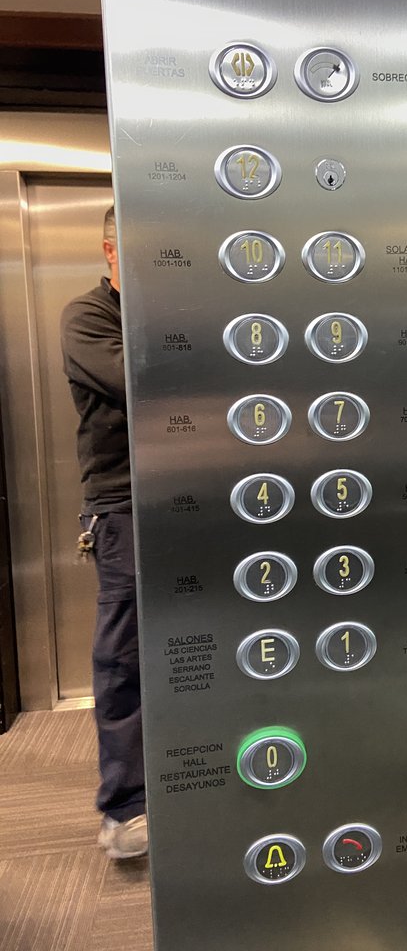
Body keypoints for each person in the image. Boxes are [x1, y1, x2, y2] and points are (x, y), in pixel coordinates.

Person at [60, 205, 147, 859]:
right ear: (110, 254)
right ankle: (126, 807)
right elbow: (140, 382)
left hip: (193, 501)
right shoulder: (88, 317)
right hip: (122, 508)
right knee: (125, 657)